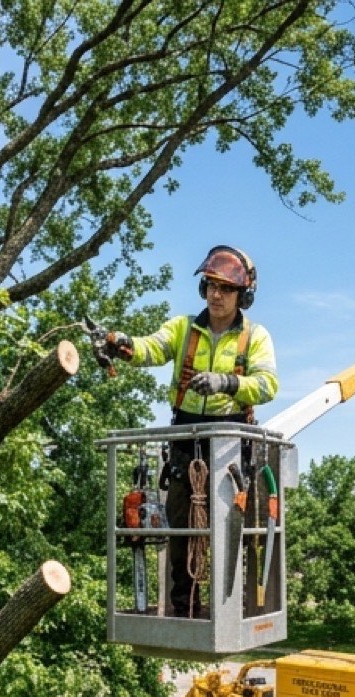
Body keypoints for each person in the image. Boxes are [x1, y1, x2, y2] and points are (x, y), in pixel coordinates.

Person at [99, 245, 279, 617]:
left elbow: (267, 385)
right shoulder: (184, 329)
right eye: (211, 285)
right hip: (185, 440)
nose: (216, 294)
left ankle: (232, 607)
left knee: (230, 528)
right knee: (182, 526)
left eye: (225, 288)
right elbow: (153, 347)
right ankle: (185, 607)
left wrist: (226, 383)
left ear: (243, 295)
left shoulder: (255, 336)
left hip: (230, 441)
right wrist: (123, 345)